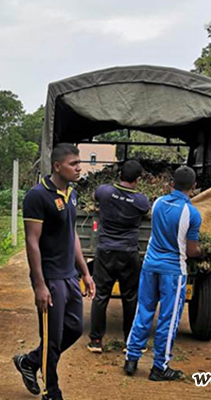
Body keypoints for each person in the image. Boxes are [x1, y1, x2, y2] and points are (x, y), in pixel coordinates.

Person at [14, 143, 96, 400]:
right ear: (57, 166)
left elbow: (71, 234)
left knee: (74, 329)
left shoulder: (71, 194)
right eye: (73, 164)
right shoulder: (37, 196)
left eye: (79, 163)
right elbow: (32, 241)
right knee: (51, 337)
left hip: (69, 275)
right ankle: (52, 391)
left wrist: (84, 272)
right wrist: (39, 284)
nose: (79, 168)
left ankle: (30, 361)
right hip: (50, 278)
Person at [124, 166, 202, 381]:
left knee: (144, 311)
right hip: (173, 271)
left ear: (171, 184)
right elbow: (192, 250)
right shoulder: (191, 213)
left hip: (150, 266)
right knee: (168, 319)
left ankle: (131, 359)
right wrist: (203, 250)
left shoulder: (157, 202)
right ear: (193, 187)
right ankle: (159, 367)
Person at [88, 160, 150, 353]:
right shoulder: (141, 200)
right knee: (130, 297)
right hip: (128, 253)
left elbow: (94, 196)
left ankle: (96, 341)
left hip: (105, 251)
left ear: (119, 175)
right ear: (138, 180)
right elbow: (147, 212)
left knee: (101, 296)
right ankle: (130, 342)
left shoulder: (104, 192)